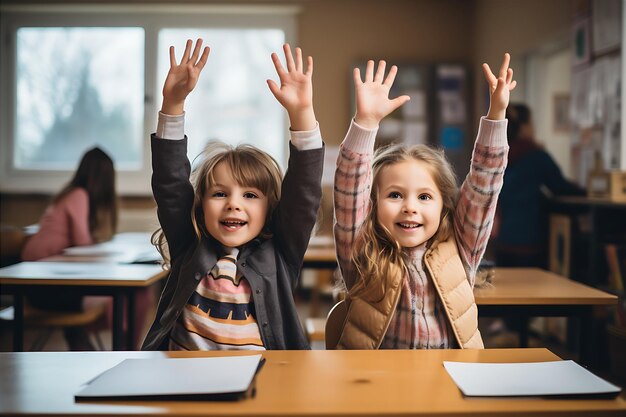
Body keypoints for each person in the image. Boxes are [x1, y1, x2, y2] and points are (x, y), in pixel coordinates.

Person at [141, 39, 324, 351]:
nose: (233, 204)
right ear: (200, 207)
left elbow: (303, 192)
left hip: (262, 382)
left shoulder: (279, 254)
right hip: (184, 381)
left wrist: (302, 113)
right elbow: (170, 184)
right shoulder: (190, 246)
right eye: (219, 194)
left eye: (250, 195)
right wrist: (172, 105)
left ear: (271, 209)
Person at [333, 54, 516, 349]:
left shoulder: (461, 247)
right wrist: (365, 122)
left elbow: (484, 185)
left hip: (450, 380)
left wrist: (496, 114)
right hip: (378, 386)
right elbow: (348, 189)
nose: (410, 207)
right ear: (372, 204)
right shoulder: (364, 252)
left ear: (444, 204)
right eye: (395, 195)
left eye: (424, 197)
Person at [21, 146, 118, 350]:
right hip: (39, 286)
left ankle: (84, 345)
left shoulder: (74, 194)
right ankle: (118, 349)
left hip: (45, 280)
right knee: (117, 296)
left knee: (114, 295)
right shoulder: (79, 195)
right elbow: (82, 242)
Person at [492, 103, 586, 268]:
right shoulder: (535, 155)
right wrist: (588, 190)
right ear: (523, 127)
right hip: (530, 240)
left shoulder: (497, 155)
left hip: (502, 239)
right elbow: (560, 187)